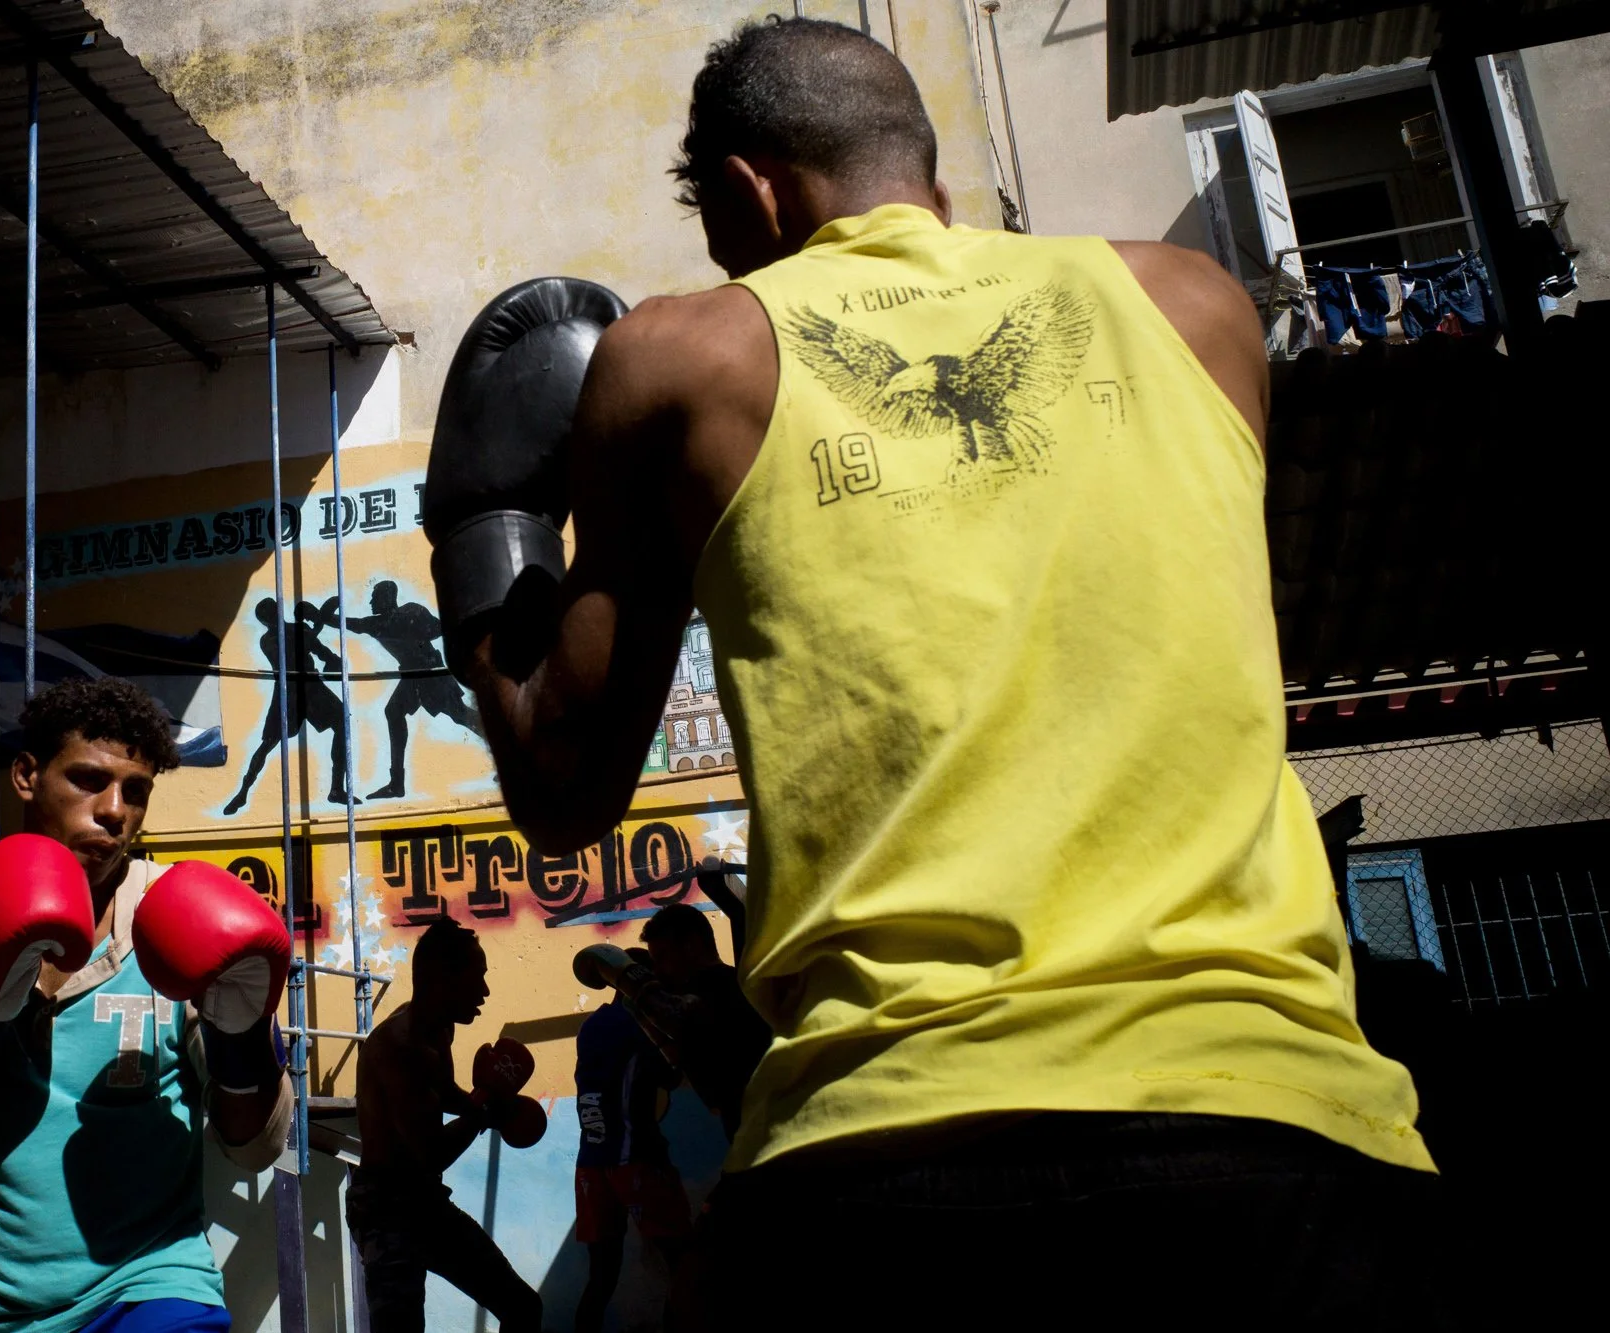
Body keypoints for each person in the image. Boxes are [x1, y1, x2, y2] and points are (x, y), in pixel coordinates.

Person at [425, 16, 1441, 1325]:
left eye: (719, 226)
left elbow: (561, 783)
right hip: (1291, 1136)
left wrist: (484, 538)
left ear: (750, 188)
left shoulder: (691, 357)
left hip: (891, 1150)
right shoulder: (1197, 308)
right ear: (929, 169)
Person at [0, 677, 294, 1333]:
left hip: (152, 1283)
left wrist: (242, 1037)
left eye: (136, 792)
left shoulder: (179, 918)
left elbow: (255, 1148)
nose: (114, 810)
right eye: (89, 779)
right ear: (26, 774)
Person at [348, 920, 542, 1332]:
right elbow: (431, 1152)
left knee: (524, 1308)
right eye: (478, 981)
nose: (485, 993)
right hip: (385, 1211)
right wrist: (480, 1108)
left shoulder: (439, 1028)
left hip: (424, 1201)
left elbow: (441, 1091)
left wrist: (488, 1108)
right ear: (442, 981)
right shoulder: (402, 1048)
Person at [571, 948, 690, 1333]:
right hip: (635, 1158)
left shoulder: (592, 1025)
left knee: (600, 1278)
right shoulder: (640, 1024)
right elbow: (669, 1077)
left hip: (590, 1163)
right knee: (685, 1270)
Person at [634, 905, 769, 1140]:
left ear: (692, 946)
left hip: (759, 1135)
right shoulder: (747, 987)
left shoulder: (701, 994)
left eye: (663, 957)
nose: (658, 971)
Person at [340, 581, 483, 799]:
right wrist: (321, 617)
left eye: (375, 596)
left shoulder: (411, 613)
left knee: (460, 715)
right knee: (394, 713)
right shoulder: (379, 624)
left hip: (429, 674)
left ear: (387, 597)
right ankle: (396, 783)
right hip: (413, 677)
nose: (371, 601)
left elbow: (439, 628)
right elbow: (355, 624)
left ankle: (509, 755)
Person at [224, 597, 351, 813]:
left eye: (274, 612)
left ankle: (337, 789)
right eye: (269, 616)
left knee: (342, 722)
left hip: (311, 687)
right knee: (268, 743)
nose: (274, 617)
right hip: (288, 692)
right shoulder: (269, 641)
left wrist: (331, 659)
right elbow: (288, 655)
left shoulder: (299, 630)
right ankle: (243, 792)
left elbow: (322, 652)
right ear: (266, 621)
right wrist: (310, 635)